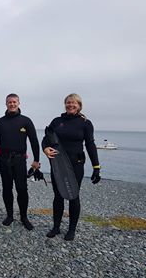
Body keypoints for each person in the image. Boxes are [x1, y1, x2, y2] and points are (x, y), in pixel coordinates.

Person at [42, 93, 101, 241]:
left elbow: (90, 144)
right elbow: (46, 138)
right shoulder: (57, 121)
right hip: (58, 164)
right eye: (68, 102)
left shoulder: (85, 123)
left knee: (73, 195)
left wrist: (96, 166)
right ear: (65, 104)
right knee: (58, 196)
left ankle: (71, 230)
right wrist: (45, 149)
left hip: (76, 165)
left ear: (79, 105)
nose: (70, 105)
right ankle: (56, 227)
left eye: (74, 103)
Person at [0, 93, 40, 230]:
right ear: (6, 104)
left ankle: (24, 217)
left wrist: (36, 160)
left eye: (14, 102)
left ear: (18, 103)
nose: (12, 104)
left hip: (20, 159)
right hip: (4, 159)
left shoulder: (26, 121)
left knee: (22, 189)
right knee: (7, 188)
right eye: (9, 102)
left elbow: (34, 141)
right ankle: (10, 215)